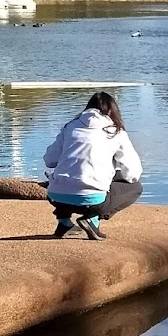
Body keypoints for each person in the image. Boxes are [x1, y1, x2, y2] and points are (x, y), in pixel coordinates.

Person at [44, 91, 143, 240]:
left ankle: (64, 222)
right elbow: (132, 173)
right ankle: (92, 218)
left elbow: (49, 160)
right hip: (90, 200)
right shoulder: (115, 131)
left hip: (56, 196)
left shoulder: (70, 127)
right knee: (136, 188)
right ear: (113, 110)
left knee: (65, 179)